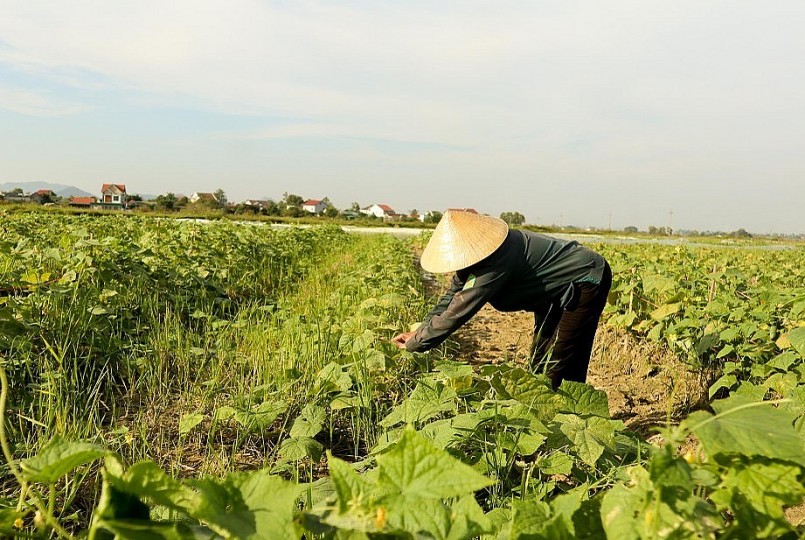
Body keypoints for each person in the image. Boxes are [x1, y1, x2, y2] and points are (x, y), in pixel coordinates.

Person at [391, 209, 612, 388]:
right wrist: (420, 329)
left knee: (562, 354)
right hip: (553, 289)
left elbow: (459, 310)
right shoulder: (474, 258)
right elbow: (451, 296)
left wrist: (417, 343)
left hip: (586, 278)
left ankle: (567, 417)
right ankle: (544, 405)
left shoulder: (497, 257)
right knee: (540, 353)